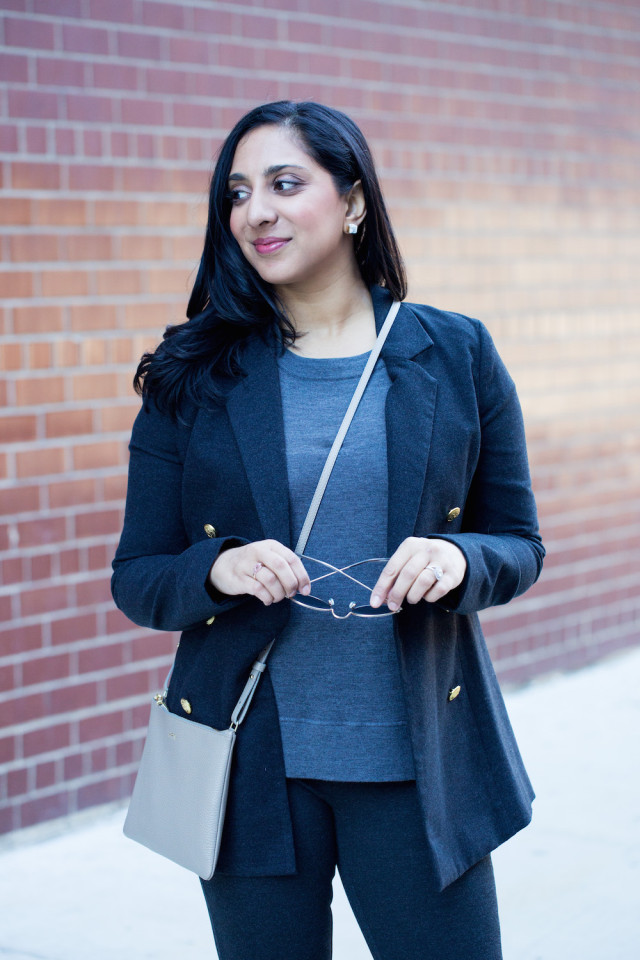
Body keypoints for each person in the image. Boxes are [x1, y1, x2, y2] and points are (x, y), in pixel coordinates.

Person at [112, 100, 545, 960]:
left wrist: (458, 558)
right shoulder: (192, 373)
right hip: (250, 768)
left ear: (352, 202)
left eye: (284, 183)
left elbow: (520, 543)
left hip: (418, 761)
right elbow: (138, 577)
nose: (255, 211)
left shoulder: (453, 353)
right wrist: (219, 568)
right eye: (237, 193)